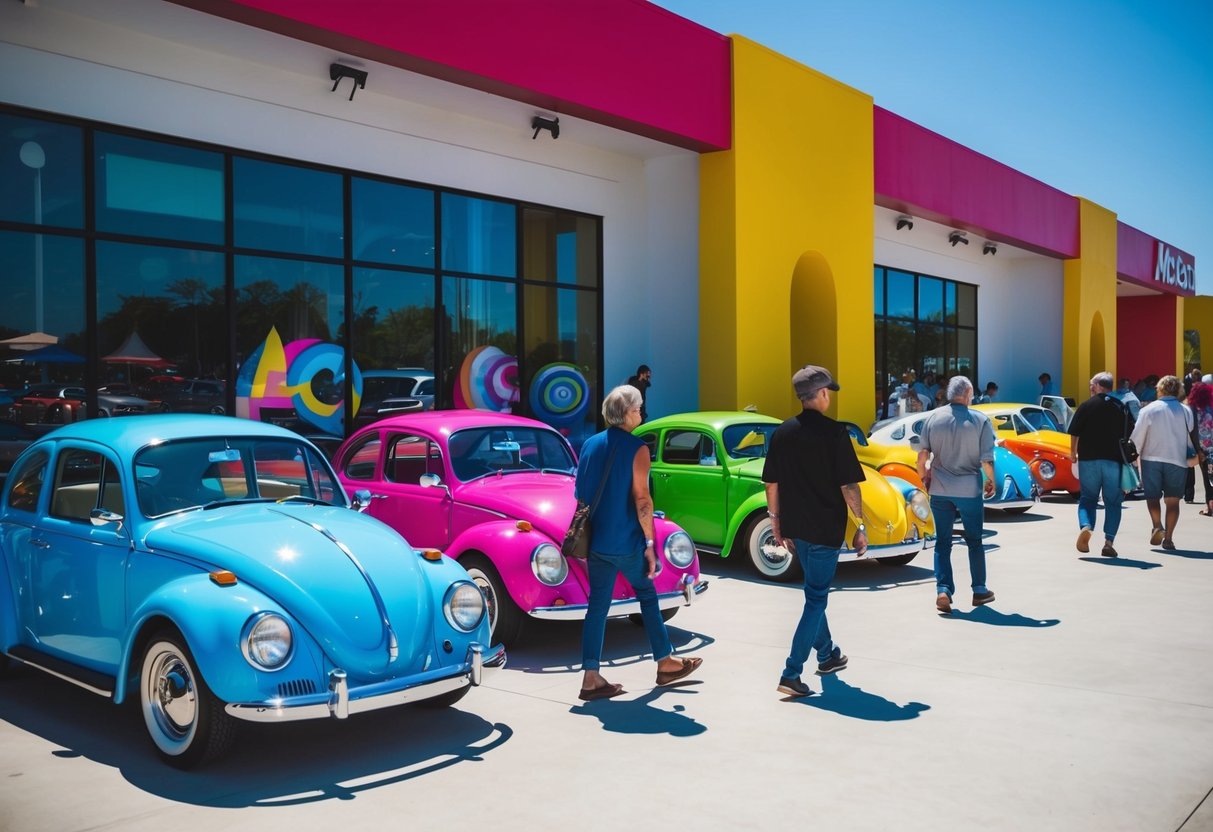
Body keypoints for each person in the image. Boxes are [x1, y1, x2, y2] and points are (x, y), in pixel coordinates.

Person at [575, 384, 701, 701]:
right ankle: (665, 662)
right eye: (639, 407)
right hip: (626, 540)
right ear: (629, 412)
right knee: (646, 593)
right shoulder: (637, 448)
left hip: (596, 542)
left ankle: (591, 676)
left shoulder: (589, 444)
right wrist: (649, 542)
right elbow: (642, 500)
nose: (641, 412)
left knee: (597, 608)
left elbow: (580, 495)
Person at [763, 365, 867, 698]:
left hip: (795, 530)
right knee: (815, 599)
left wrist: (776, 523)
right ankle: (791, 673)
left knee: (813, 593)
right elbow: (849, 485)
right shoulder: (836, 433)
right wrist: (860, 525)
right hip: (824, 530)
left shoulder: (782, 433)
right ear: (821, 395)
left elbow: (771, 482)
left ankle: (828, 655)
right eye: (828, 393)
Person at [916, 376, 997, 613]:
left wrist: (924, 477)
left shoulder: (933, 418)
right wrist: (990, 481)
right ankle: (980, 590)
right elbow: (986, 460)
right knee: (974, 541)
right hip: (969, 490)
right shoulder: (980, 420)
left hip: (940, 489)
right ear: (969, 393)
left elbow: (922, 456)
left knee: (943, 543)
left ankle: (943, 590)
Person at [1068, 372, 1133, 558]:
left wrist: (1073, 453)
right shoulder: (1120, 407)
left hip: (1088, 460)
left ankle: (1086, 526)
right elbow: (1128, 434)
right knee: (1113, 502)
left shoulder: (1086, 405)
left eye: (1091, 385)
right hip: (1113, 461)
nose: (1090, 388)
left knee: (1088, 498)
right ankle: (1108, 543)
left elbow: (1074, 432)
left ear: (1097, 386)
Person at [1130, 375, 1196, 551]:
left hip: (1151, 458)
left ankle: (1157, 525)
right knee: (1173, 501)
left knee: (1152, 497)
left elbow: (1137, 436)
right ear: (1178, 390)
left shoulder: (1149, 410)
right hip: (1177, 460)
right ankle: (1169, 539)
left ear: (1159, 389)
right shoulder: (1186, 410)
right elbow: (1190, 432)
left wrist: (1135, 455)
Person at [1187, 381, 1213, 516]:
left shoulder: (1192, 408)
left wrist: (1198, 450)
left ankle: (1210, 508)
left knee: (1207, 480)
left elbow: (1192, 431)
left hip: (1203, 451)